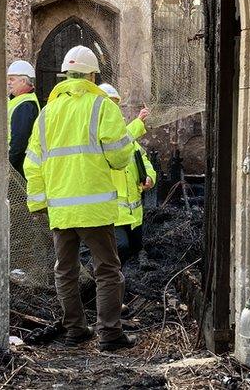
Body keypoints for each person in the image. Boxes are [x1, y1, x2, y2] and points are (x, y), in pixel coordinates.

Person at [23, 45, 138, 351]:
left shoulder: (47, 113)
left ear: (65, 74)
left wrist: (38, 203)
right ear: (92, 74)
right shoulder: (102, 107)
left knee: (65, 270)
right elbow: (119, 156)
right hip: (94, 209)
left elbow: (32, 163)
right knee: (107, 270)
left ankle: (75, 329)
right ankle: (110, 334)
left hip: (60, 211)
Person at [98, 83, 155, 266]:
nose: (113, 108)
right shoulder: (98, 137)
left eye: (115, 104)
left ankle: (121, 284)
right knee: (120, 248)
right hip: (113, 215)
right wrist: (138, 123)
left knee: (133, 250)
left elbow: (143, 160)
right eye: (109, 103)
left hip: (133, 214)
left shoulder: (126, 137)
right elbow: (118, 146)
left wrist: (149, 177)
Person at [6, 60, 40, 177]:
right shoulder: (19, 101)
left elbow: (19, 142)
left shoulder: (25, 105)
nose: (8, 83)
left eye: (12, 79)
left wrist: (9, 166)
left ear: (23, 81)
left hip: (19, 166)